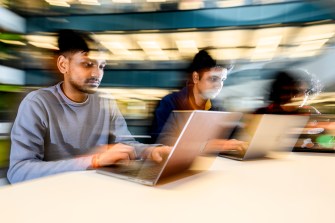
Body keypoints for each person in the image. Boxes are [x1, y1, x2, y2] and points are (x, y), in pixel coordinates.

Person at [7, 30, 170, 184]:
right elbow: (19, 171)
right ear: (63, 65)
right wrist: (94, 161)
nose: (96, 74)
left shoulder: (106, 102)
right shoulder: (36, 103)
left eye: (102, 66)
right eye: (87, 65)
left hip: (96, 192)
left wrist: (150, 151)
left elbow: (125, 145)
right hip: (54, 197)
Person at [150, 49, 247, 152]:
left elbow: (229, 135)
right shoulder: (169, 103)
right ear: (196, 77)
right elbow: (162, 142)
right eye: (213, 79)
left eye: (222, 80)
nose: (219, 85)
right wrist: (209, 145)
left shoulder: (217, 107)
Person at [254, 69, 321, 115]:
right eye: (286, 92)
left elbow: (325, 134)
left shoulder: (310, 112)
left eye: (296, 92)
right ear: (277, 93)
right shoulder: (263, 113)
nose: (291, 96)